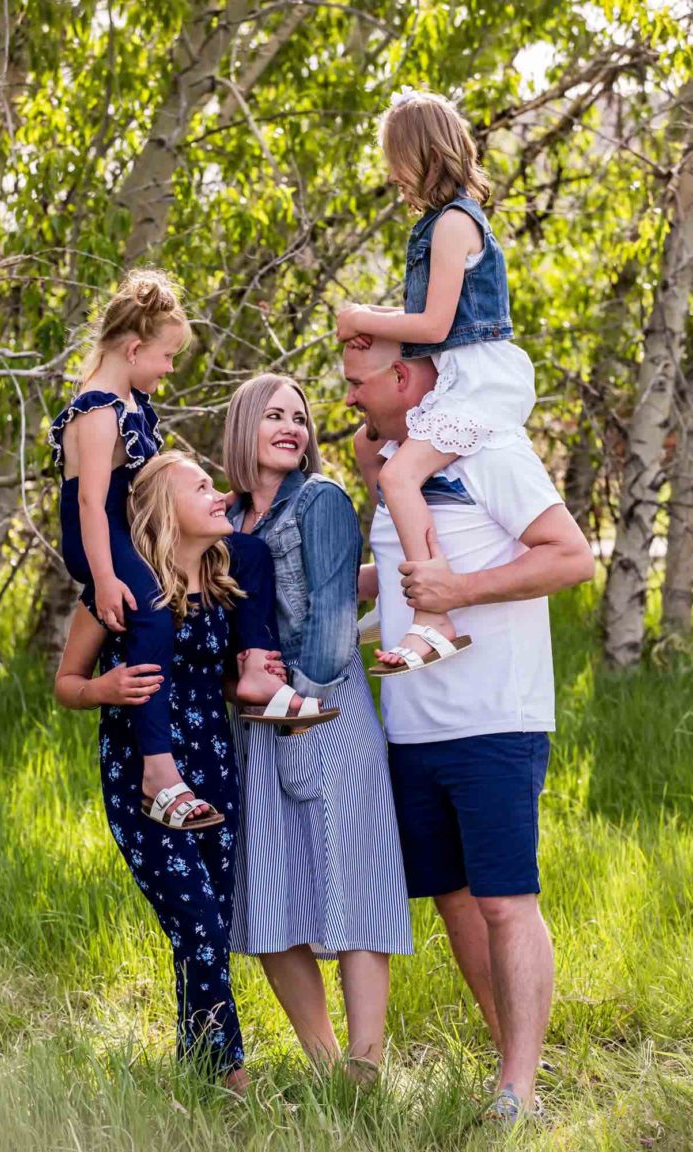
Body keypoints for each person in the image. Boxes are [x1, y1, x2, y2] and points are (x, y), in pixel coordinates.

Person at [344, 337, 595, 1123]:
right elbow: (399, 575)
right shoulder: (391, 467)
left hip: (497, 715)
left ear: (406, 376)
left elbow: (572, 558)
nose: (347, 400)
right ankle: (506, 1073)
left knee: (503, 902)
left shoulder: (492, 449)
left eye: (357, 383)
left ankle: (522, 1087)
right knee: (453, 900)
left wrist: (464, 588)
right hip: (411, 725)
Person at [49, 270, 324, 830]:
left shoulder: (130, 401)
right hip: (98, 538)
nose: (170, 368)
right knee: (150, 610)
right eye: (167, 355)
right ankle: (157, 770)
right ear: (133, 348)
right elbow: (90, 506)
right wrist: (104, 578)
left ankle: (255, 671)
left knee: (247, 555)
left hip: (131, 534)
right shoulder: (98, 410)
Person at [55, 450, 280, 1090]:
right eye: (201, 486)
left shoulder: (220, 585)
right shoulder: (120, 594)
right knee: (197, 921)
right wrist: (102, 690)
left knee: (204, 927)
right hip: (143, 774)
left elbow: (223, 684)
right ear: (163, 508)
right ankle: (231, 1074)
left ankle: (199, 1067)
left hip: (212, 763)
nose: (218, 495)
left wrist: (257, 686)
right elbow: (66, 684)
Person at [223, 373, 412, 1081]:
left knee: (353, 885)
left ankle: (365, 1067)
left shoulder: (322, 501)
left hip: (324, 712)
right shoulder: (228, 516)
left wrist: (296, 708)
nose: (291, 428)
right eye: (273, 415)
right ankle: (325, 1064)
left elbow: (333, 621)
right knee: (272, 895)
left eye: (299, 418)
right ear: (243, 426)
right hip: (255, 724)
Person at [336, 89, 536, 678]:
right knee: (370, 447)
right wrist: (372, 326)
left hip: (480, 381)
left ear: (422, 154)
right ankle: (399, 590)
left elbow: (435, 324)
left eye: (395, 160)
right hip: (455, 373)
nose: (391, 174)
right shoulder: (433, 225)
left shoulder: (452, 224)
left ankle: (436, 615)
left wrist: (361, 318)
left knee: (400, 473)